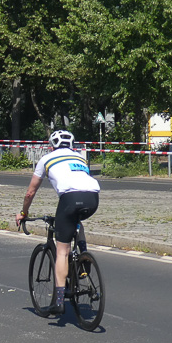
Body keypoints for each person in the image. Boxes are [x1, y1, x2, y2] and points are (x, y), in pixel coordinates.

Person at [15, 130, 100, 314]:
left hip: (69, 199)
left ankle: (59, 301)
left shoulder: (46, 159)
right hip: (93, 198)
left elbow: (30, 192)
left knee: (62, 251)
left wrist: (23, 212)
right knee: (77, 221)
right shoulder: (80, 158)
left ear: (51, 145)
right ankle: (83, 255)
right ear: (72, 144)